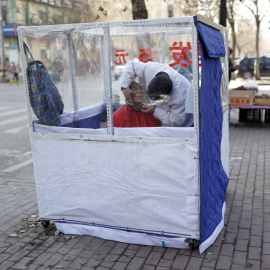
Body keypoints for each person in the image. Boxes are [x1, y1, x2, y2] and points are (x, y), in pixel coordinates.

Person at [120, 61, 193, 127]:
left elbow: (177, 121)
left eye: (156, 99)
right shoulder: (151, 69)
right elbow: (131, 65)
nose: (139, 92)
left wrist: (155, 110)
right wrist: (124, 86)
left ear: (166, 97)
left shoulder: (181, 96)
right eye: (135, 89)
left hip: (186, 126)